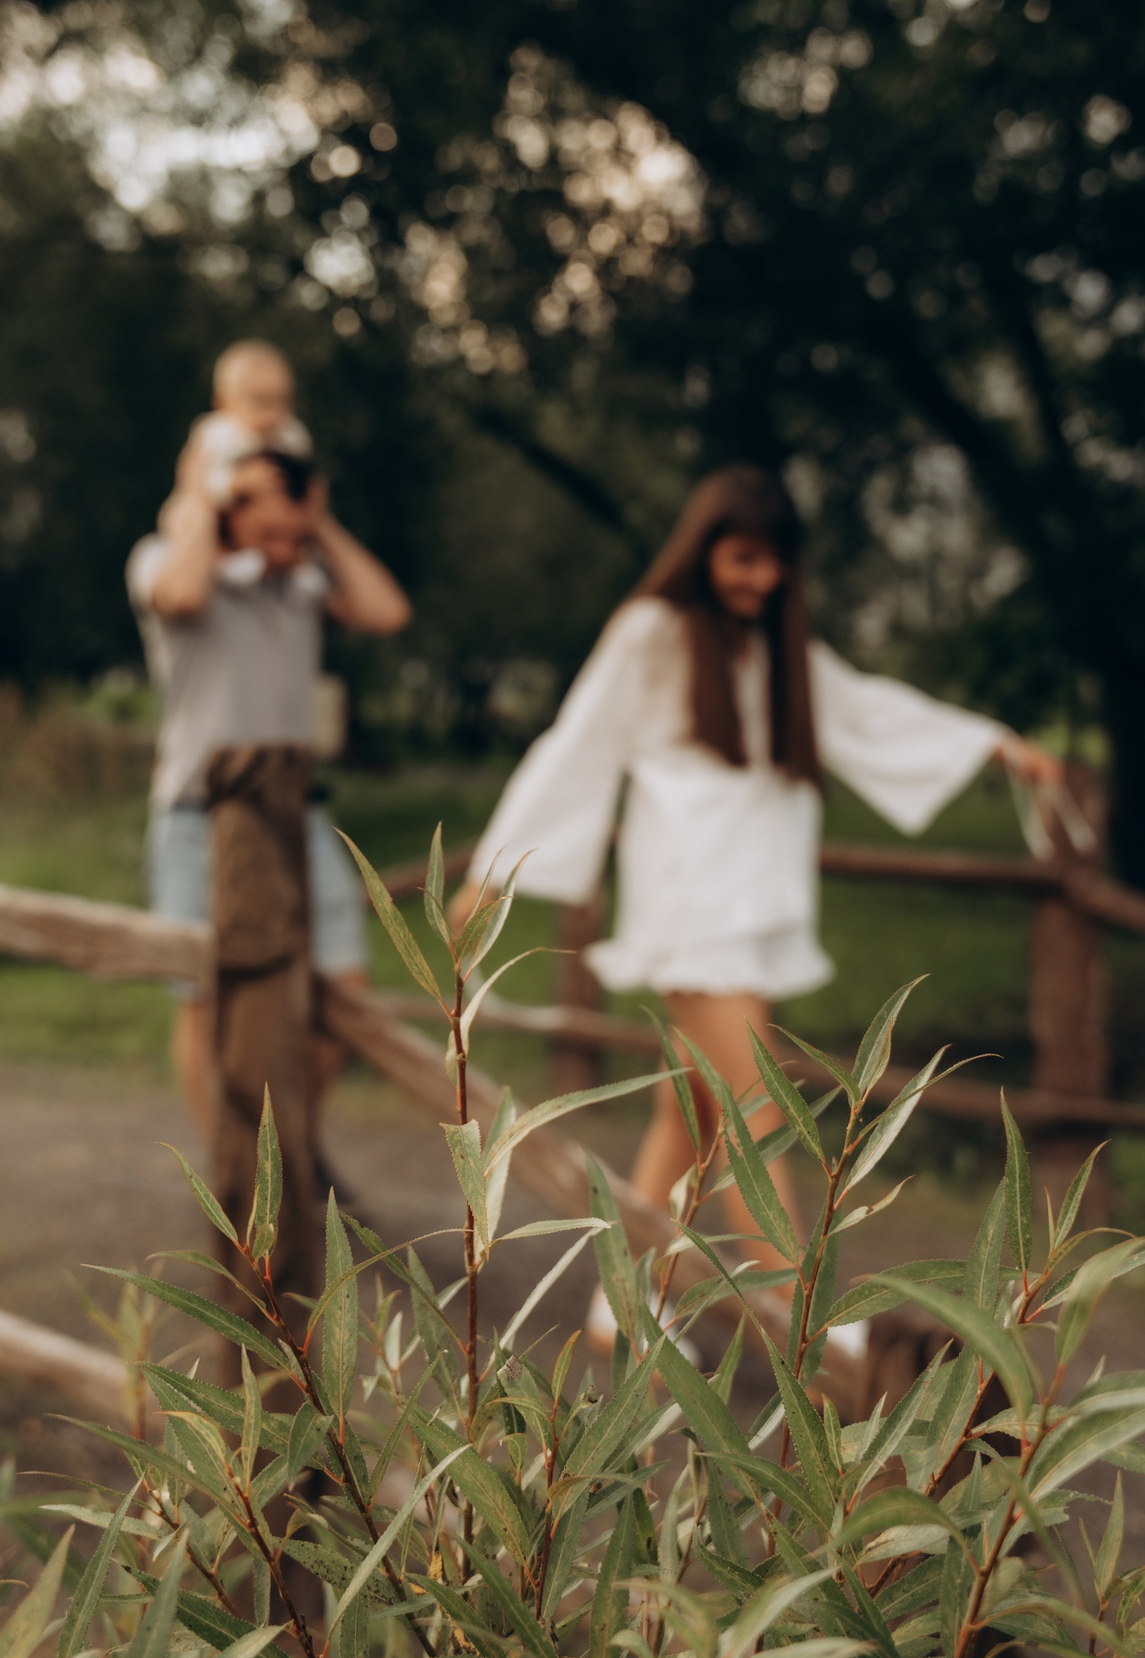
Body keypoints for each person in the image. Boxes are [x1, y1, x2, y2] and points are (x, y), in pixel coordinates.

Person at [452, 466, 1065, 1354]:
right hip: (691, 906)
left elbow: (868, 714)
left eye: (775, 564)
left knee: (698, 1117)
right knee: (755, 1113)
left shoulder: (780, 647)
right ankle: (814, 1329)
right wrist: (494, 873)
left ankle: (625, 1302)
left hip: (756, 905)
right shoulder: (652, 632)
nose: (760, 580)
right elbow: (576, 745)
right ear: (704, 551)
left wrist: (997, 748)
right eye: (743, 559)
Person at [128, 445, 411, 1119]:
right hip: (197, 813)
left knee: (347, 991)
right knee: (204, 999)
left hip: (296, 813)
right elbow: (183, 593)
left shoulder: (303, 580)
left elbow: (387, 612)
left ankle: (286, 1157)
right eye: (267, 530)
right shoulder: (161, 558)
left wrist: (321, 530)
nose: (284, 546)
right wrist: (204, 496)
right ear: (231, 509)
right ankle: (233, 1184)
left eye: (295, 530)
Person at [155, 340, 317, 571]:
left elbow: (303, 468)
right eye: (260, 402)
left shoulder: (290, 434)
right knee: (181, 517)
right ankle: (210, 561)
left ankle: (295, 559)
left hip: (265, 521)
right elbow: (199, 482)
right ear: (223, 403)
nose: (272, 414)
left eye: (281, 401)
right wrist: (235, 483)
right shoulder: (218, 434)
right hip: (210, 508)